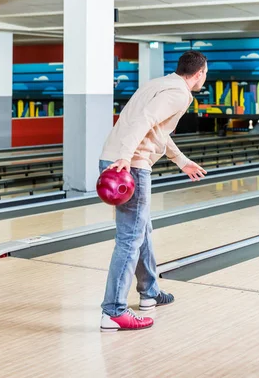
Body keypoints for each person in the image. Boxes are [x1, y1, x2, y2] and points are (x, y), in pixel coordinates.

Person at [98, 50, 209, 332]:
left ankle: (149, 293)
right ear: (198, 74)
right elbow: (144, 121)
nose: (204, 77)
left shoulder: (156, 84)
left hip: (118, 157)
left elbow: (156, 131)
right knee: (130, 238)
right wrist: (126, 156)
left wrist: (181, 161)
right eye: (205, 73)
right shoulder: (180, 94)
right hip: (131, 164)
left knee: (141, 229)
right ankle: (113, 311)